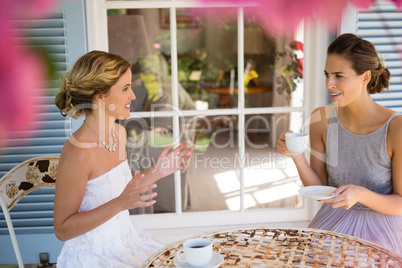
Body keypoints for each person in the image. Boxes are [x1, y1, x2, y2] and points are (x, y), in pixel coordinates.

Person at [54, 50, 193, 267]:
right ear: (100, 94)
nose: (133, 96)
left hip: (127, 243)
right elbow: (63, 229)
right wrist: (120, 204)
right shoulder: (78, 152)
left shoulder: (119, 133)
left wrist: (159, 171)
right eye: (125, 88)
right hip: (95, 256)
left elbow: (122, 191)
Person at [277, 33, 402, 255]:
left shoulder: (396, 128)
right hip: (332, 224)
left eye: (338, 75)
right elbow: (319, 187)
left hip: (381, 230)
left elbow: (400, 203)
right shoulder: (321, 120)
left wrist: (361, 195)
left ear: (365, 77)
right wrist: (296, 156)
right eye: (327, 74)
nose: (329, 83)